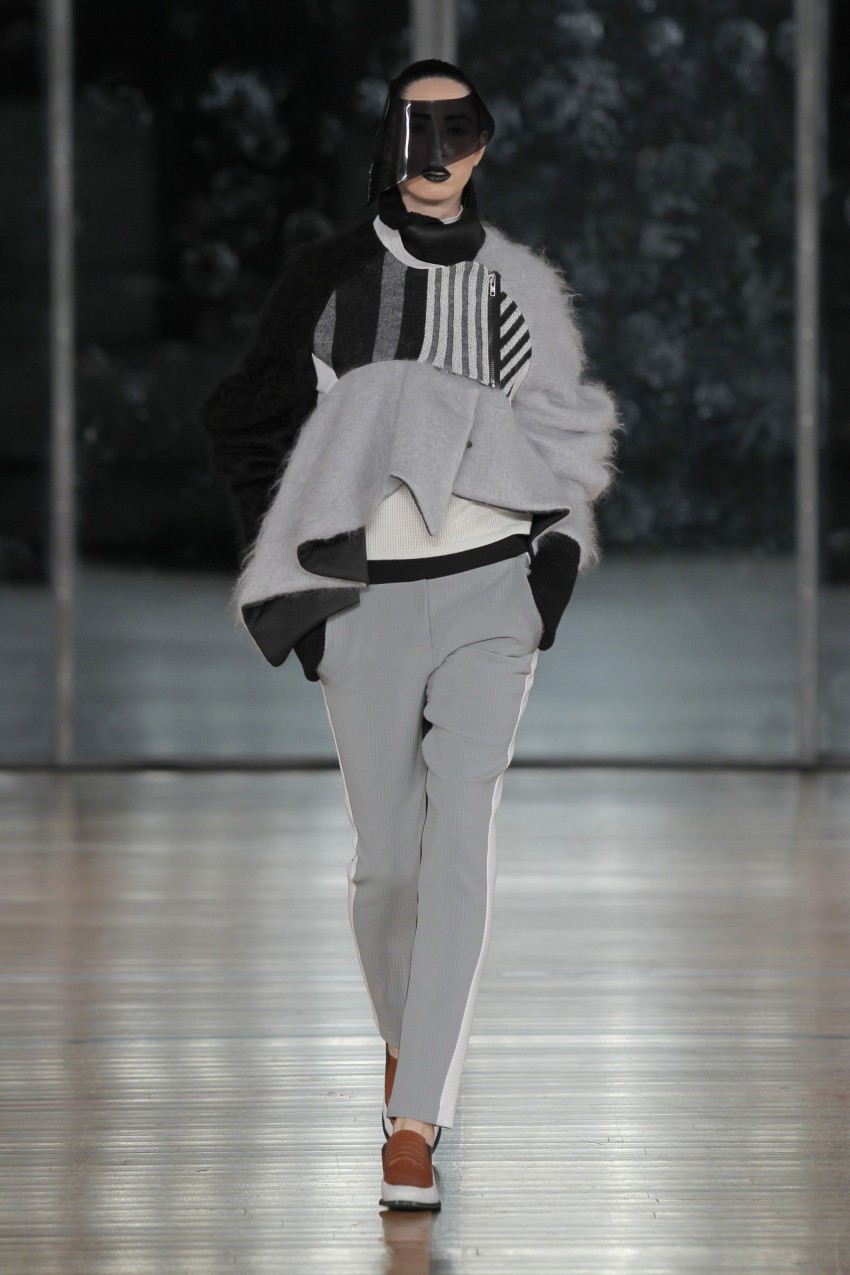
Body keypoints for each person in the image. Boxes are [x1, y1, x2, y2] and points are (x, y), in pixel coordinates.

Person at [199, 57, 619, 1212]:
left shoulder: (521, 288)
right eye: (416, 128)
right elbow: (245, 423)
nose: (437, 155)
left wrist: (548, 578)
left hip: (492, 595)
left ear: (483, 143)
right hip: (368, 602)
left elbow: (567, 441)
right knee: (388, 865)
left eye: (458, 128)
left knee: (459, 849)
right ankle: (408, 1050)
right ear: (388, 141)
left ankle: (416, 1122)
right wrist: (299, 596)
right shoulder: (328, 280)